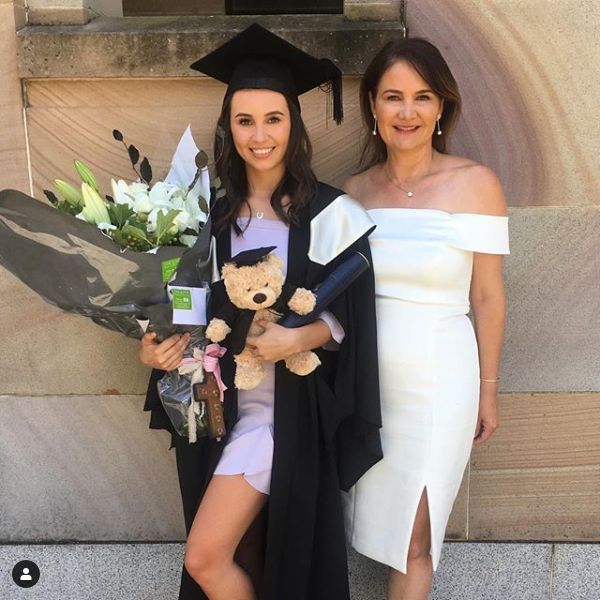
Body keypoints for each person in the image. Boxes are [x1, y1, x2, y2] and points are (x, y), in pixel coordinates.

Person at [140, 24, 382, 600]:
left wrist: (300, 339)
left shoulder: (330, 213)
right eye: (244, 121)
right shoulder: (208, 216)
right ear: (228, 128)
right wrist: (155, 347)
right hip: (218, 414)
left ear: (293, 123)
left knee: (205, 558)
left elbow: (354, 315)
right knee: (244, 557)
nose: (260, 135)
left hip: (286, 420)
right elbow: (185, 311)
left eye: (273, 118)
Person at [342, 38, 509, 600]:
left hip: (441, 386)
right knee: (378, 530)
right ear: (373, 105)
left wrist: (488, 391)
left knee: (417, 536)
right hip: (368, 386)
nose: (407, 111)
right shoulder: (352, 194)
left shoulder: (477, 184)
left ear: (441, 107)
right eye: (393, 97)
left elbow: (487, 296)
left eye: (422, 97)